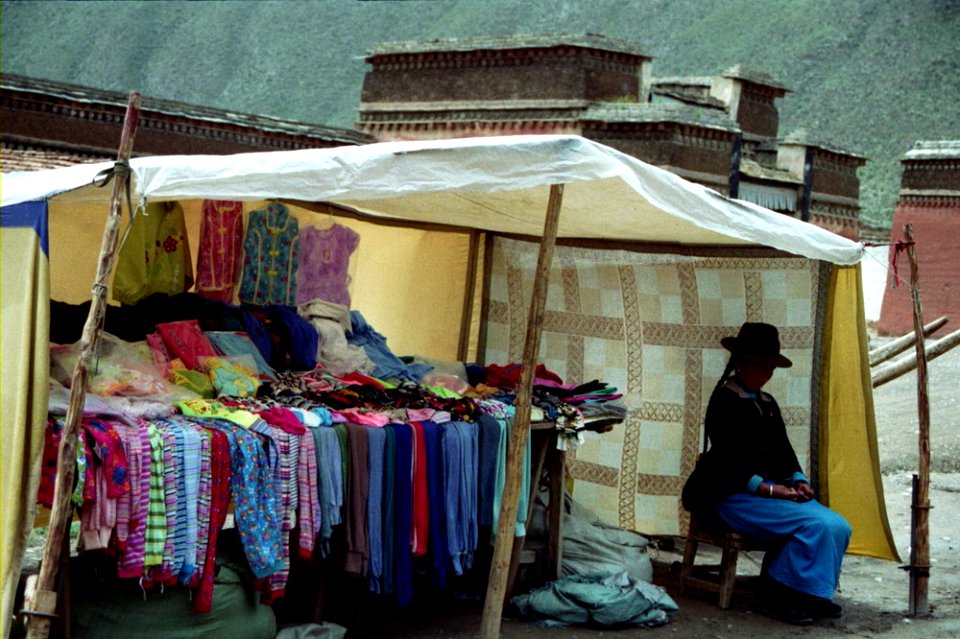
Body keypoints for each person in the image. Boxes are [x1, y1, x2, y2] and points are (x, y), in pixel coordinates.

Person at [682, 322, 852, 625]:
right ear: (740, 363)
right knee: (815, 524)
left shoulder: (767, 404)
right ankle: (779, 595)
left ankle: (811, 595)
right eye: (761, 367)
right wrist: (768, 490)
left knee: (837, 525)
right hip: (731, 495)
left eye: (770, 368)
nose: (767, 374)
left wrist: (799, 481)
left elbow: (783, 452)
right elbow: (725, 461)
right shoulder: (724, 401)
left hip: (768, 493)